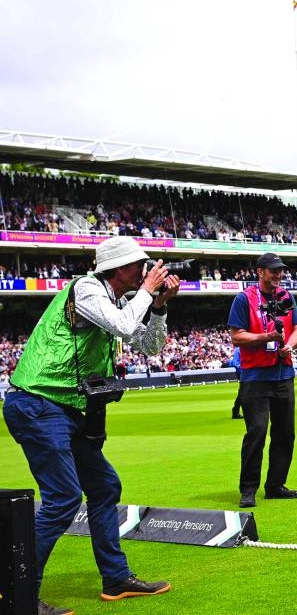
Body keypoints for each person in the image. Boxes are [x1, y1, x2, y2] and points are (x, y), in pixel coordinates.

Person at [2, 236, 179, 613]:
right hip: (37, 402)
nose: (145, 271)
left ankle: (115, 579)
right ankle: (17, 593)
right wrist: (147, 292)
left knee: (104, 485)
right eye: (138, 266)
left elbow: (147, 345)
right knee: (64, 497)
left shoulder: (113, 300)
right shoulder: (86, 289)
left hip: (63, 408)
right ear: (117, 268)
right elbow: (121, 325)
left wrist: (159, 306)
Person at [229, 253, 297, 509]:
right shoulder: (244, 299)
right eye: (273, 271)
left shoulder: (286, 296)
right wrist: (267, 337)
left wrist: (290, 346)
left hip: (284, 373)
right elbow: (237, 337)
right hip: (256, 377)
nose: (279, 275)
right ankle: (248, 489)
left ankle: (275, 486)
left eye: (281, 271)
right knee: (257, 432)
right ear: (260, 271)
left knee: (285, 433)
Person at [228, 346, 243, 419]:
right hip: (243, 373)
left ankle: (235, 410)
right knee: (243, 391)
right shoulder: (238, 349)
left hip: (247, 372)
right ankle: (236, 410)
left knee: (243, 392)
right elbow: (235, 362)